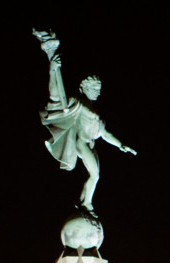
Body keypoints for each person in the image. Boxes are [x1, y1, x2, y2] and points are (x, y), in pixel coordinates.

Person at [33, 29, 137, 213]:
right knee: (95, 175)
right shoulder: (78, 103)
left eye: (99, 88)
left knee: (96, 176)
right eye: (94, 87)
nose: (98, 91)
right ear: (84, 87)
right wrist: (53, 70)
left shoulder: (96, 111)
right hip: (81, 143)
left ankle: (83, 203)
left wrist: (121, 145)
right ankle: (87, 204)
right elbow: (56, 94)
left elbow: (105, 133)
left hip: (91, 144)